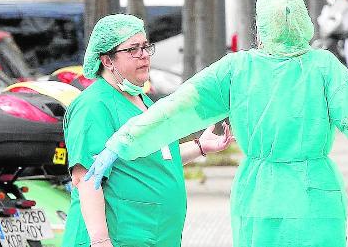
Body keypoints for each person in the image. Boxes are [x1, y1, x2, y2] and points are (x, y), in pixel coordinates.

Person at [85, 0, 348, 247]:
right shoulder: (324, 68)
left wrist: (122, 143)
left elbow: (175, 110)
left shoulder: (236, 71)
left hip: (260, 199)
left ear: (260, 25)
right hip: (316, 198)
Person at [62, 14, 234, 247]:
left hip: (155, 237)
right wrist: (101, 241)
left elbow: (154, 158)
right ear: (107, 60)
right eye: (133, 49)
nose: (144, 55)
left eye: (145, 47)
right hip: (119, 237)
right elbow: (86, 178)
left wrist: (200, 147)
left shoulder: (143, 101)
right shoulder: (94, 105)